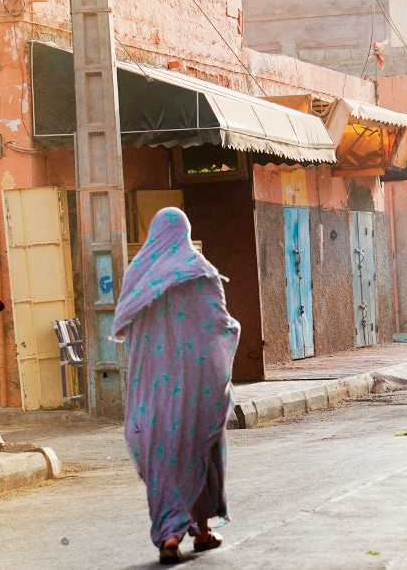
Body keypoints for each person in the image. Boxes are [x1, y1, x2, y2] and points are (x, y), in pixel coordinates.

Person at [112, 207, 239, 564]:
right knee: (200, 448)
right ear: (185, 232)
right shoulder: (199, 272)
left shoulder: (138, 274)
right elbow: (218, 324)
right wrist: (233, 333)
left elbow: (126, 329)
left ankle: (169, 537)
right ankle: (202, 530)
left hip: (151, 393)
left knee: (164, 458)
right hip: (196, 391)